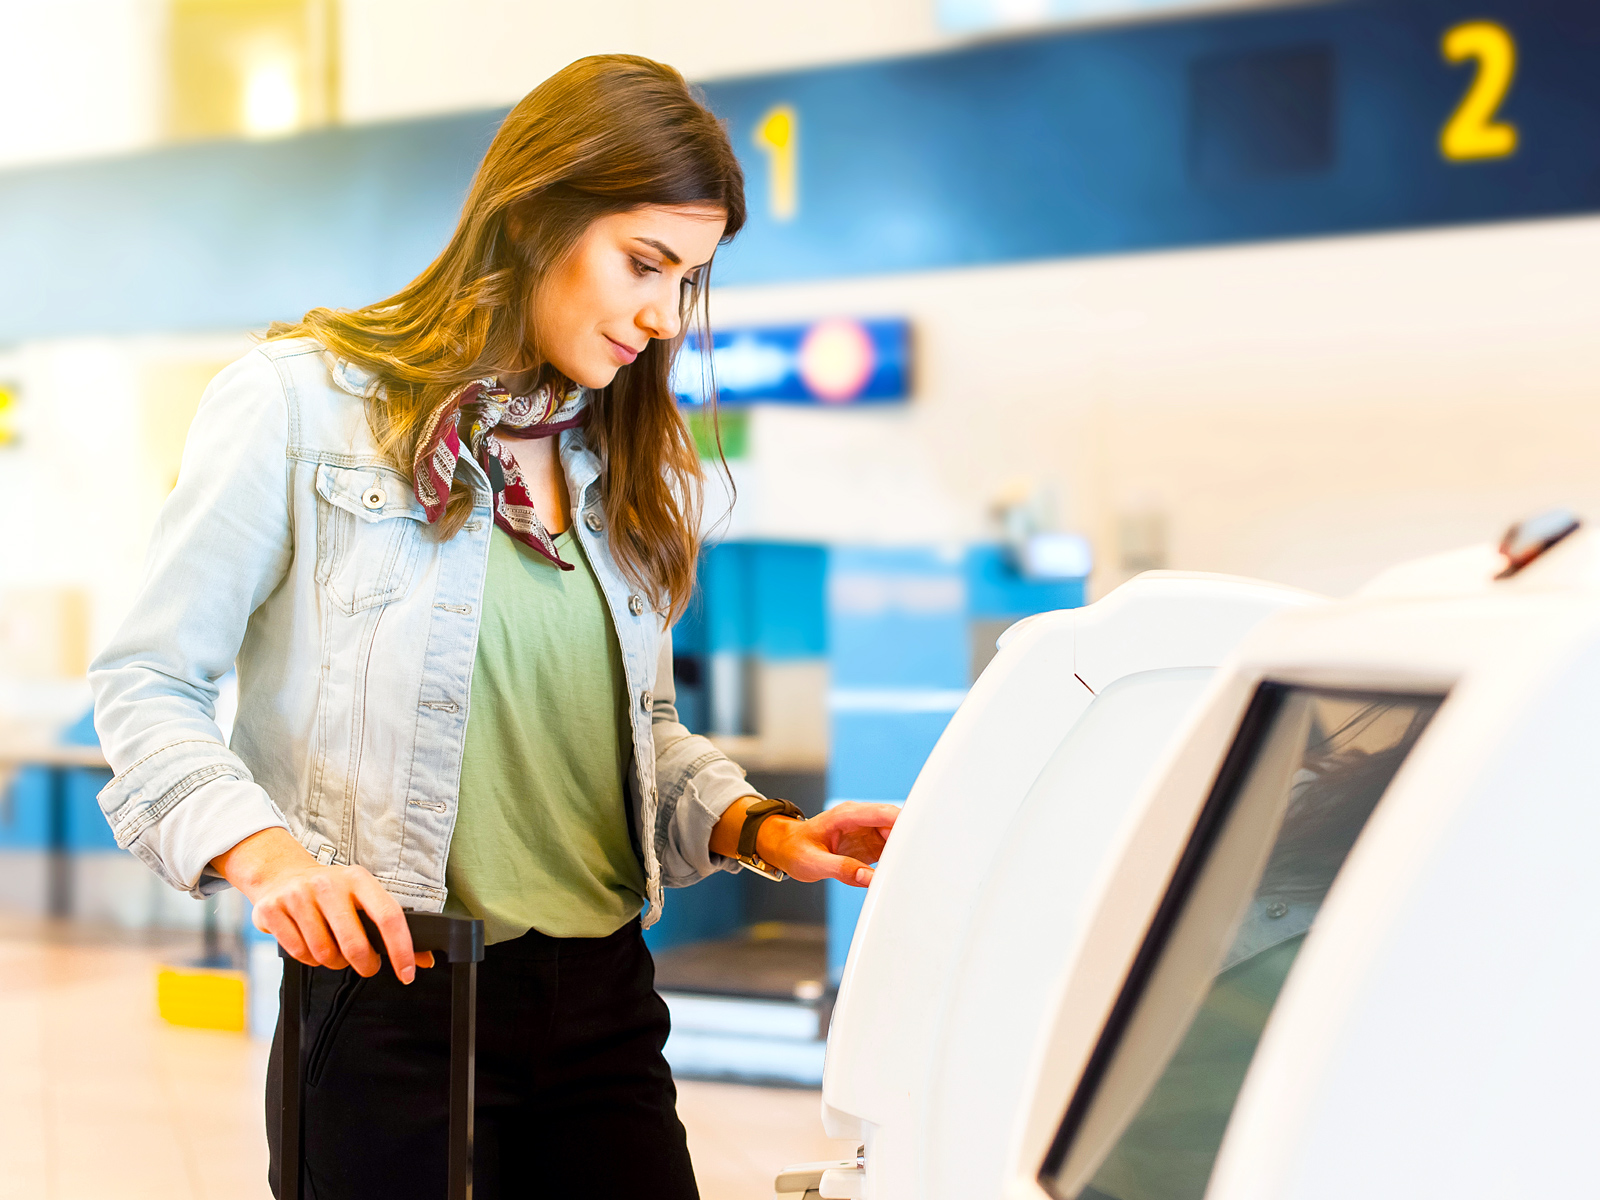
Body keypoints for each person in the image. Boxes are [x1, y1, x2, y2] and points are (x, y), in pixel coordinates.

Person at [89, 55, 899, 1200]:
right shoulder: (296, 405)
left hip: (606, 1007)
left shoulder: (617, 458)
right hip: (391, 1005)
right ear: (537, 216)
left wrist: (765, 831)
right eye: (644, 264)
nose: (665, 317)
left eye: (689, 281)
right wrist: (271, 861)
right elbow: (145, 681)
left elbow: (637, 733)